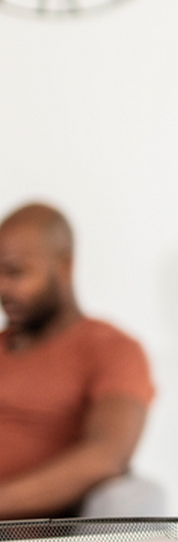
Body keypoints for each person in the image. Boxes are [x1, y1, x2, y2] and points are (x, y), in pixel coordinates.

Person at [0, 203, 154, 519]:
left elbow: (107, 456)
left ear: (64, 267)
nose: (2, 287)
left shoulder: (110, 349)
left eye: (16, 272)